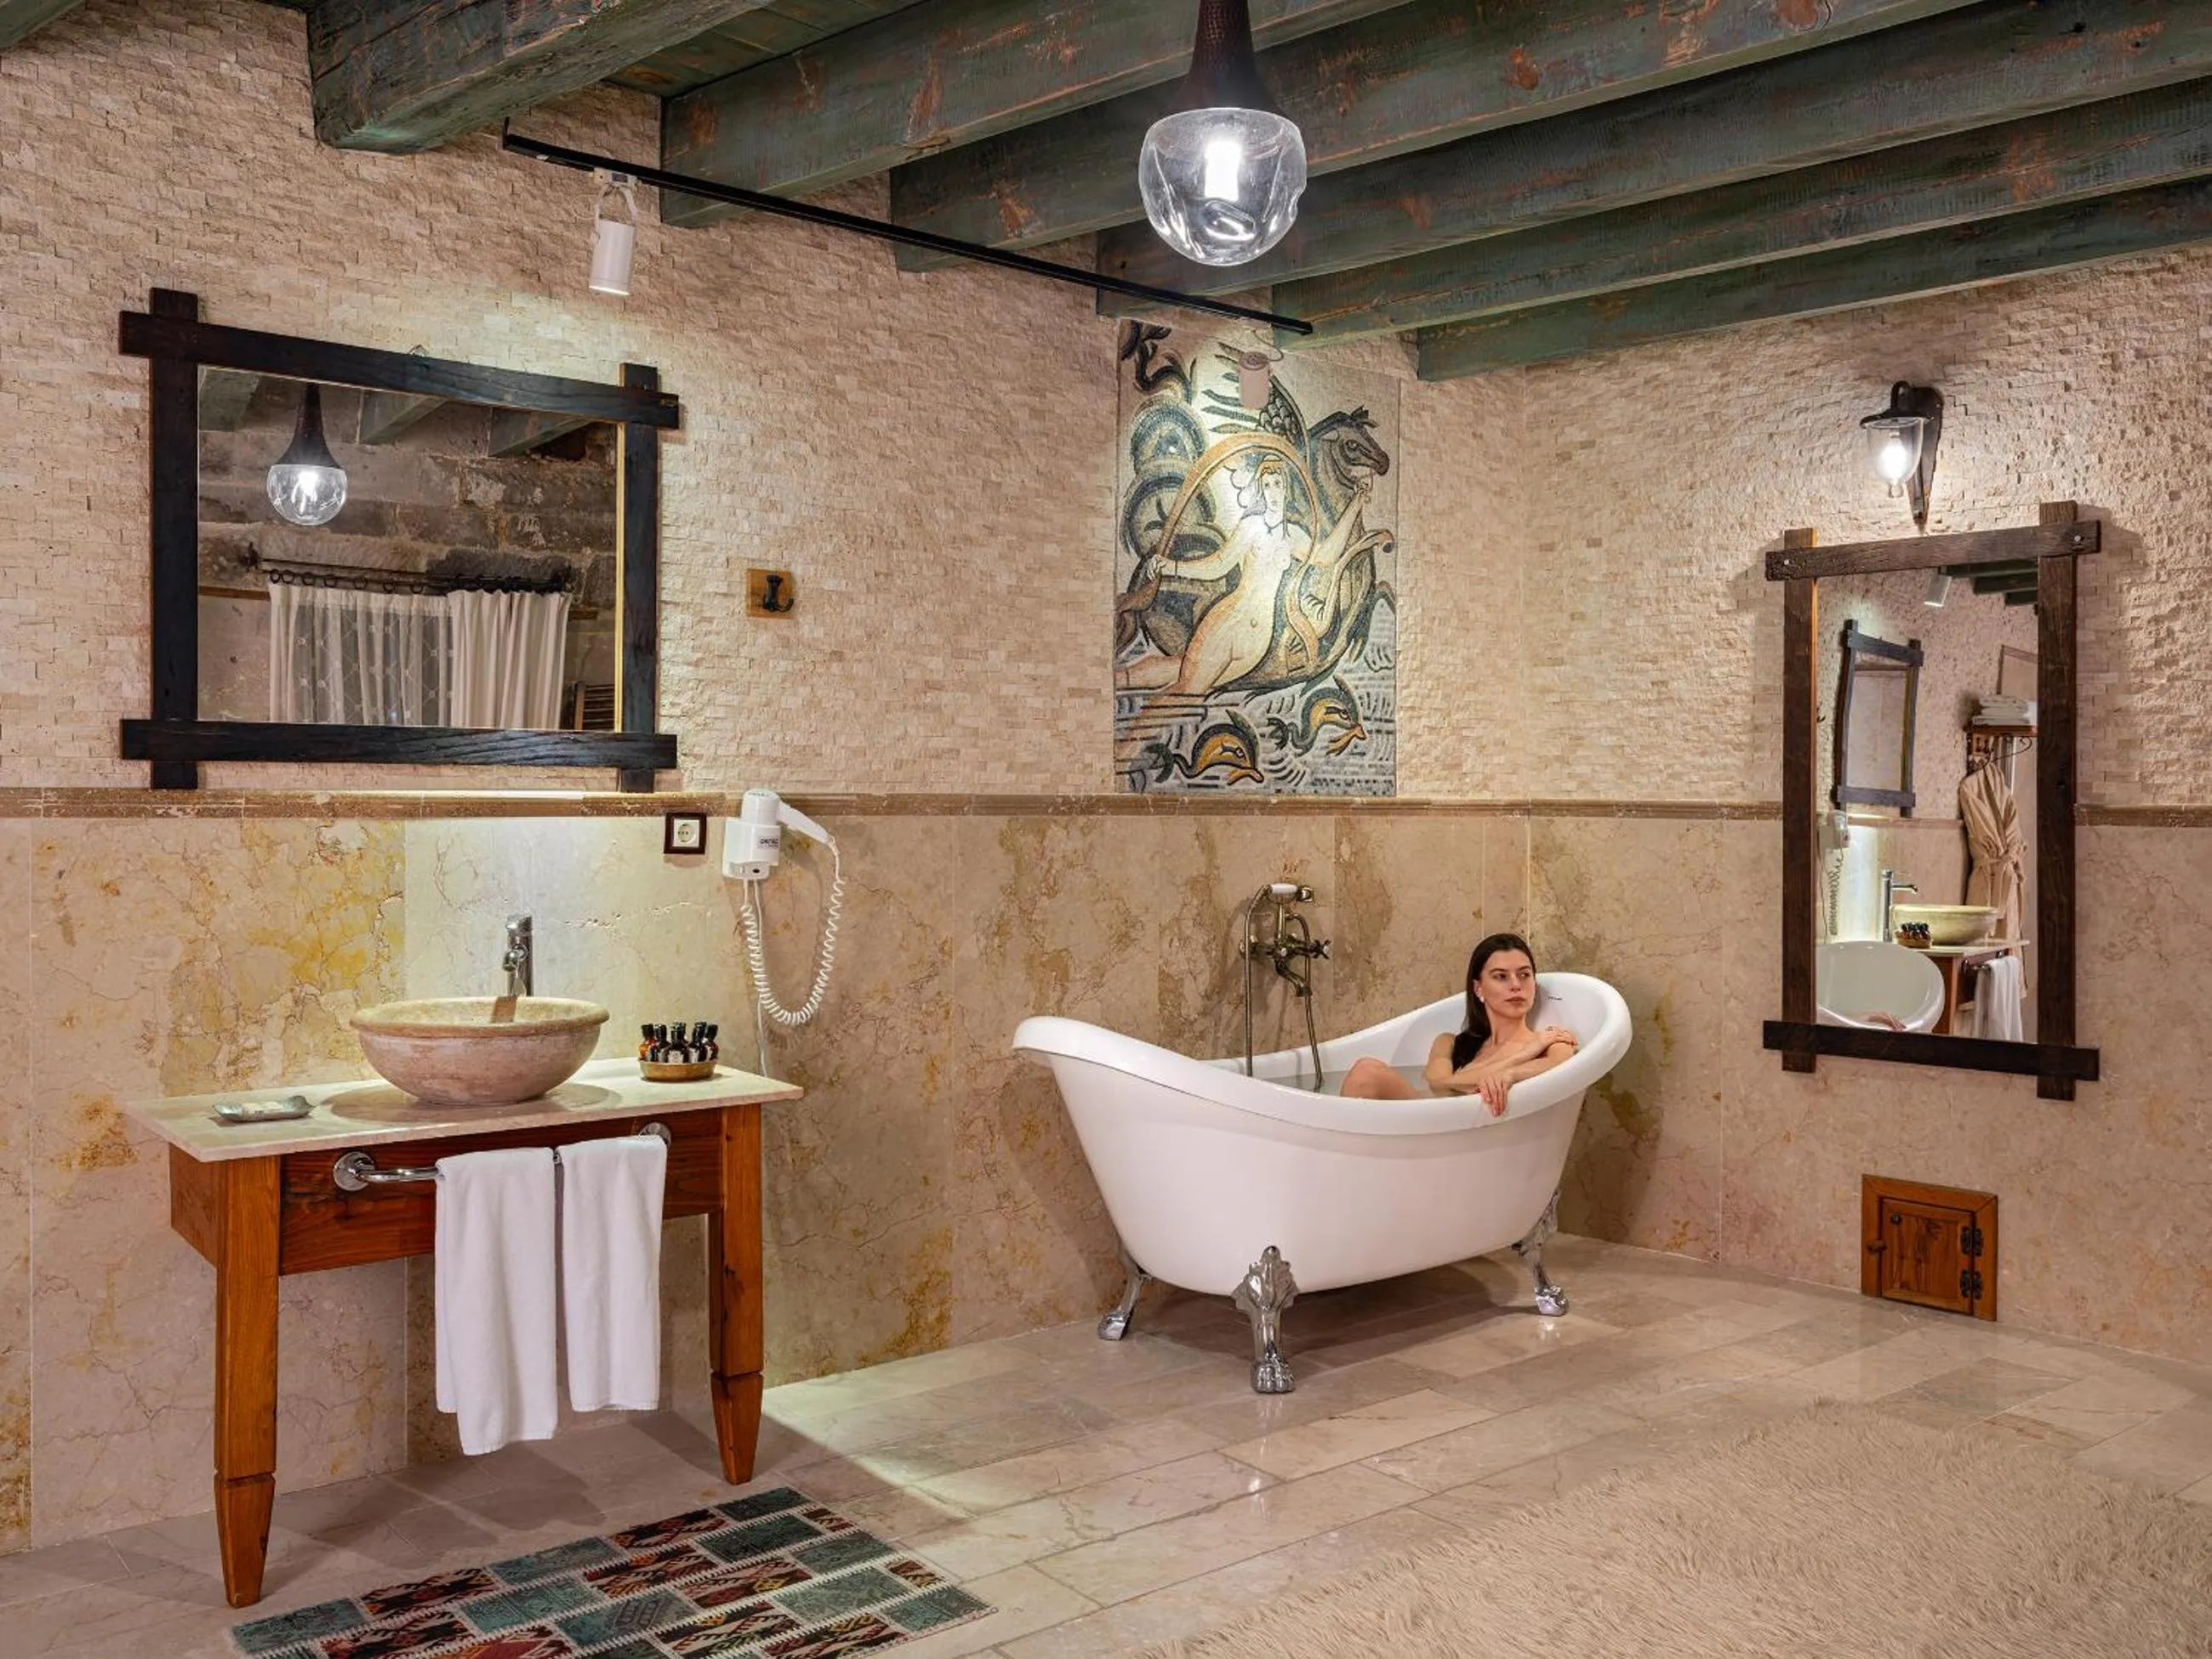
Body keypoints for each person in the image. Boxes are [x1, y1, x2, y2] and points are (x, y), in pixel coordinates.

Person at [1115, 451, 1372, 696]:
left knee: (1185, 675)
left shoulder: (1294, 536)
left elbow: (1326, 557)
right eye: (1267, 485)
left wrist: (1356, 503)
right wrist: (1172, 567)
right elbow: (1219, 564)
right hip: (1231, 619)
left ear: (1286, 489)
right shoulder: (1251, 527)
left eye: (1278, 484)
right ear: (1261, 490)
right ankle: (1129, 716)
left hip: (1258, 639)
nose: (1273, 491)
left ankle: (1122, 683)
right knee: (1189, 689)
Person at [1341, 933, 1578, 1115]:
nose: (1516, 985)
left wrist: (1510, 1075)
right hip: (1432, 1127)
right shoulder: (1450, 1043)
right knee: (1366, 1071)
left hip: (1481, 1142)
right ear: (1479, 988)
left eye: (1525, 975)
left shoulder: (1551, 1043)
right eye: (1501, 976)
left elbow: (1562, 1066)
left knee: (1366, 1072)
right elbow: (1439, 1084)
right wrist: (1521, 1055)